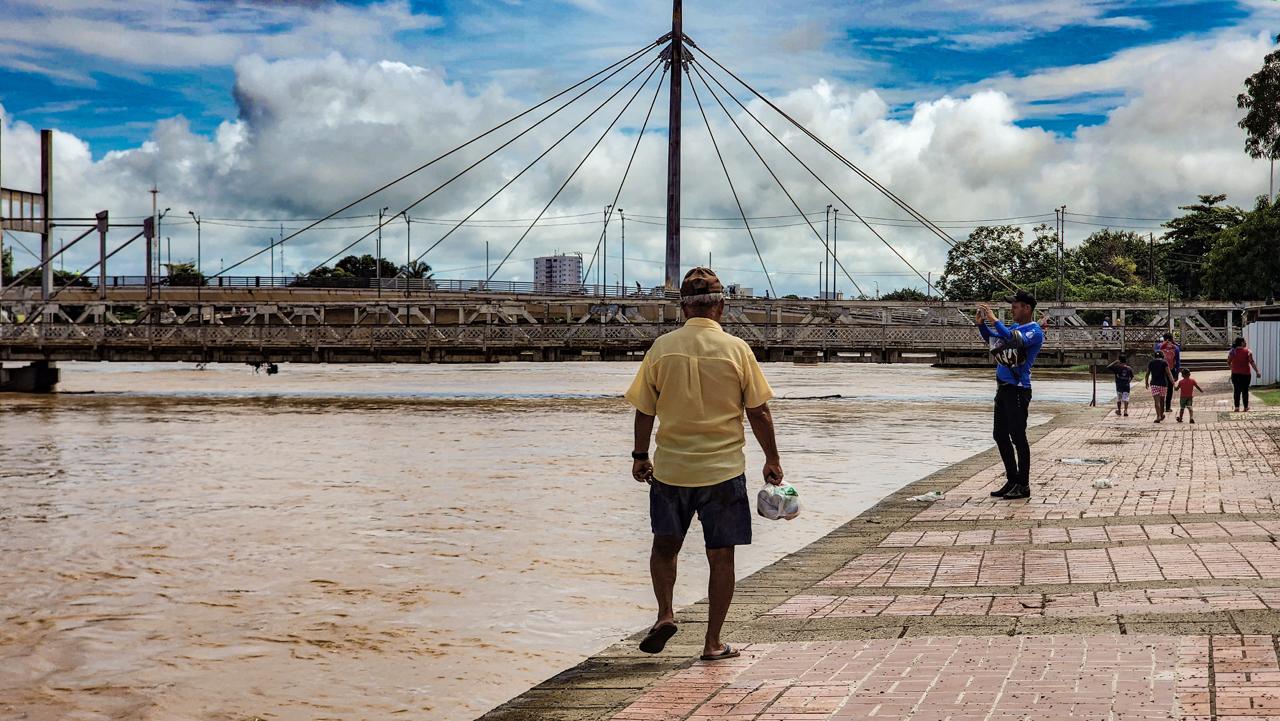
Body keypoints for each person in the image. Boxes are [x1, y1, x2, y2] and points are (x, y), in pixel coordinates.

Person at [625, 266, 783, 662]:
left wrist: (640, 456)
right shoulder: (736, 349)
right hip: (723, 471)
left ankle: (665, 613)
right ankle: (712, 643)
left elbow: (644, 411)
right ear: (721, 307)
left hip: (672, 470)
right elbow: (759, 412)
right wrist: (772, 459)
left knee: (665, 546)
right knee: (721, 555)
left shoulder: (662, 348)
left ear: (682, 308)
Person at [975, 290, 1045, 501]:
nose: (1012, 310)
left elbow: (1013, 339)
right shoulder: (1013, 327)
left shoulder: (1034, 331)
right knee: (999, 435)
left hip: (1018, 389)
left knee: (1018, 437)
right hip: (1003, 388)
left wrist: (994, 319)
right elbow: (993, 338)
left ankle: (1023, 484)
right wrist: (981, 324)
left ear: (1026, 308)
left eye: (1015, 306)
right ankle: (1012, 479)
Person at [1228, 337, 1262, 411]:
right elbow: (1252, 362)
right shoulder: (1248, 351)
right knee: (1245, 391)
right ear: (1241, 343)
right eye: (1245, 342)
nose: (1246, 343)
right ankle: (1245, 407)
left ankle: (1237, 407)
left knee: (1236, 390)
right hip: (1245, 374)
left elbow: (1228, 362)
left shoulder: (1232, 352)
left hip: (1235, 374)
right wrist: (1257, 371)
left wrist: (1233, 368)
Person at [1144, 350, 1174, 423]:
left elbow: (1147, 373)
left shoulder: (1151, 363)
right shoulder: (1164, 362)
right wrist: (1173, 382)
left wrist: (1146, 382)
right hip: (1163, 384)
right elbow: (1169, 373)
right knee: (1162, 401)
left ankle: (1158, 416)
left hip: (1154, 384)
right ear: (1162, 356)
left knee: (1156, 402)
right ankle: (1161, 414)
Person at [1157, 333, 1181, 414]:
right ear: (1172, 338)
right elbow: (1177, 362)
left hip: (1160, 371)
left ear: (1164, 338)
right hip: (1171, 370)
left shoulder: (1159, 346)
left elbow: (1156, 354)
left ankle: (1161, 406)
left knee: (1161, 388)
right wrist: (1177, 373)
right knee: (1170, 389)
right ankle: (1167, 407)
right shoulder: (1176, 348)